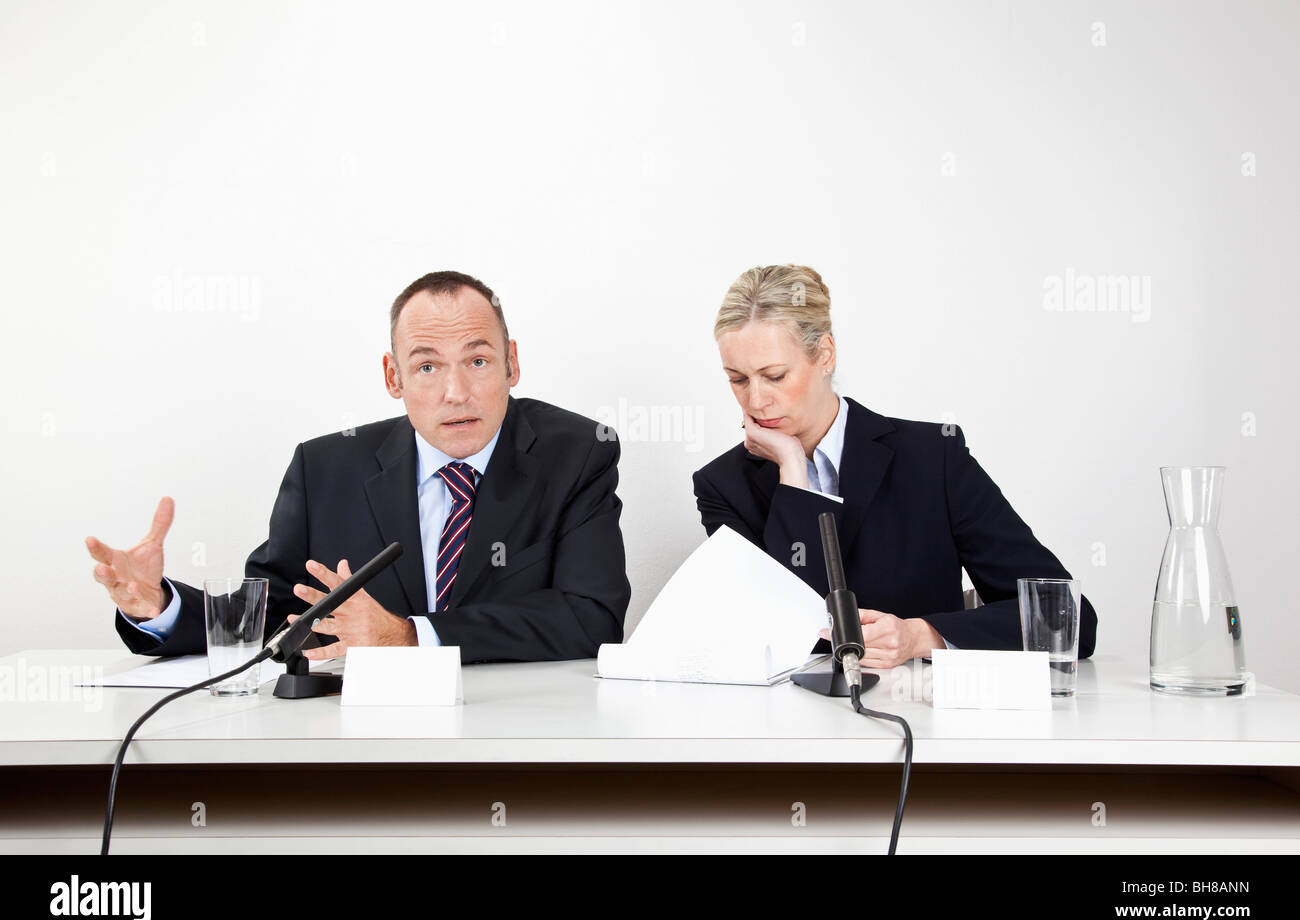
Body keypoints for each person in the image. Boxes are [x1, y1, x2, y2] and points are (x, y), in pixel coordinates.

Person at [86, 271, 631, 663]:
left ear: (513, 362)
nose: (455, 392)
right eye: (426, 366)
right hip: (355, 742)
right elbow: (272, 616)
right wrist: (159, 604)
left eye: (479, 360)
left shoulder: (578, 453)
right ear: (393, 377)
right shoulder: (324, 469)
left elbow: (590, 618)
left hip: (520, 737)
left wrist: (409, 635)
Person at [692, 265, 1097, 667]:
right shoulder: (723, 485)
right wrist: (794, 476)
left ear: (825, 355)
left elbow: (1068, 620)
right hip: (794, 722)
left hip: (923, 716)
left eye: (775, 376)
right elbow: (771, 631)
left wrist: (923, 635)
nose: (757, 401)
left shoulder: (933, 457)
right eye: (738, 380)